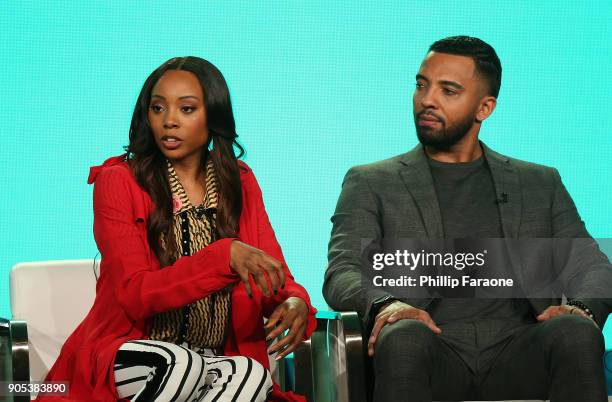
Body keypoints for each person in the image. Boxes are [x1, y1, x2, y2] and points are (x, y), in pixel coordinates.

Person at [323, 36, 612, 401]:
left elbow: (593, 265)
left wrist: (581, 308)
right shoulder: (371, 181)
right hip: (429, 347)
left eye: (449, 91)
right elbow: (343, 271)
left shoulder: (539, 182)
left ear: (484, 108)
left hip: (521, 349)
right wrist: (386, 304)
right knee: (403, 336)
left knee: (575, 331)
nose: (427, 100)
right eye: (421, 85)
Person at [37, 56, 317, 402]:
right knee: (179, 365)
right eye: (158, 108)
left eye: (186, 109)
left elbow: (271, 269)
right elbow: (135, 294)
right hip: (131, 351)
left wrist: (295, 299)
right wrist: (223, 257)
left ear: (212, 114)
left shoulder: (239, 181)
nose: (169, 121)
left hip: (211, 355)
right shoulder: (119, 181)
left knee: (249, 373)